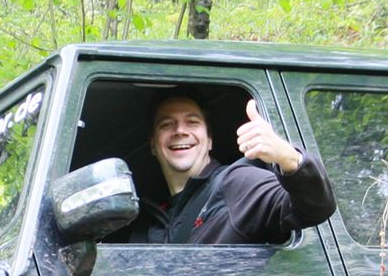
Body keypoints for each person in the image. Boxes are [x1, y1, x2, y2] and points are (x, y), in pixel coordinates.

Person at [135, 90, 336, 244]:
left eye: (192, 122)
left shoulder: (236, 182)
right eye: (166, 124)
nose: (180, 131)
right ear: (153, 145)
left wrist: (288, 157)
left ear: (210, 140)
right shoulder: (149, 221)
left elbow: (316, 207)